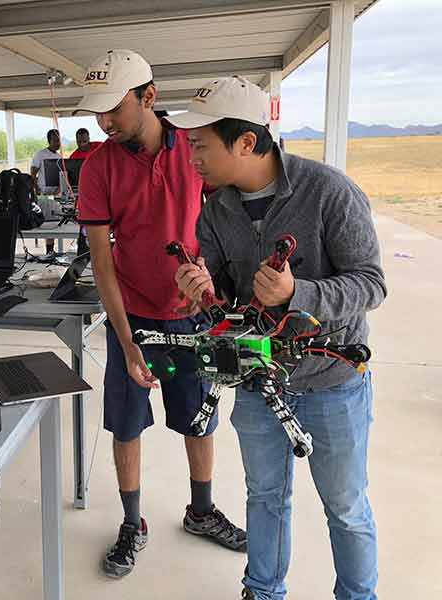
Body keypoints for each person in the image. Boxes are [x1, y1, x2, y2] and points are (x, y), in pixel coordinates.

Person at [170, 76, 386, 600]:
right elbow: (223, 288)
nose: (191, 156)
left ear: (246, 142)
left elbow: (372, 284)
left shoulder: (328, 191)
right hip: (256, 381)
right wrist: (202, 288)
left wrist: (299, 293)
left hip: (332, 383)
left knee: (346, 507)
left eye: (199, 144)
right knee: (264, 498)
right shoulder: (216, 209)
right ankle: (262, 590)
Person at [74, 49, 247, 580]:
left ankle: (200, 510)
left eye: (113, 108)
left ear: (149, 97)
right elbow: (102, 264)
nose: (103, 121)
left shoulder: (196, 150)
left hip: (195, 316)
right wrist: (126, 345)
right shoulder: (98, 166)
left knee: (201, 418)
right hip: (134, 316)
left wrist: (214, 286)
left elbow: (228, 224)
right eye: (96, 111)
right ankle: (132, 522)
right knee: (126, 425)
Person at [30, 129, 61, 255]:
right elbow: (33, 173)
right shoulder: (40, 154)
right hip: (43, 194)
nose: (58, 143)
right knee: (46, 223)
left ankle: (51, 251)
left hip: (56, 194)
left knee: (55, 222)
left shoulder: (59, 157)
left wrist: (59, 190)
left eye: (59, 140)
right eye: (55, 140)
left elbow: (62, 177)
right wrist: (37, 189)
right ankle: (48, 252)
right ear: (49, 141)